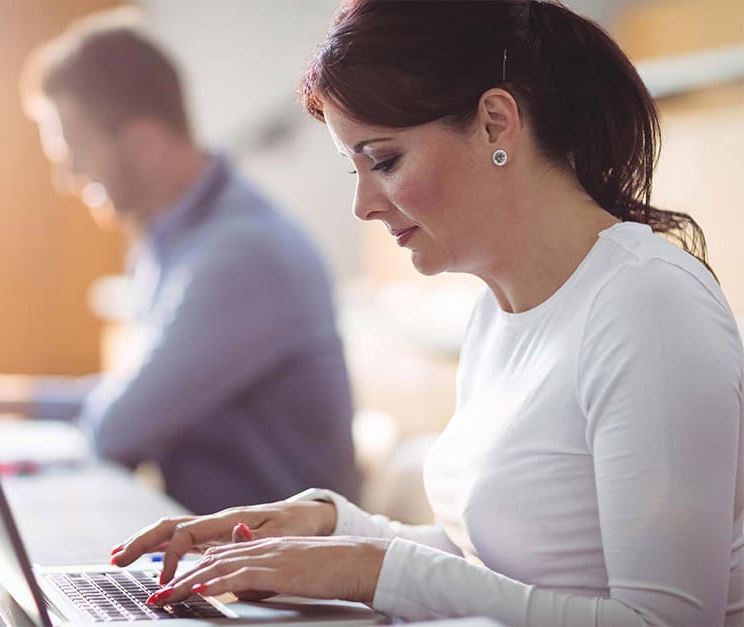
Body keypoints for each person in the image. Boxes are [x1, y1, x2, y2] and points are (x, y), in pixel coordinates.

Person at [108, 1, 744, 624]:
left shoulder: (648, 306)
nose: (362, 204)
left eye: (383, 160)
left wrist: (369, 570)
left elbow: (663, 620)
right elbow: (499, 565)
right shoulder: (498, 309)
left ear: (496, 124)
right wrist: (329, 524)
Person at [0, 8, 361, 515]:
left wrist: (11, 403)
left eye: (75, 152)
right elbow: (141, 392)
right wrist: (3, 400)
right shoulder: (167, 236)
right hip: (210, 548)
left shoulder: (242, 255)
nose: (69, 177)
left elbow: (117, 429)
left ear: (141, 143)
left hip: (280, 578)